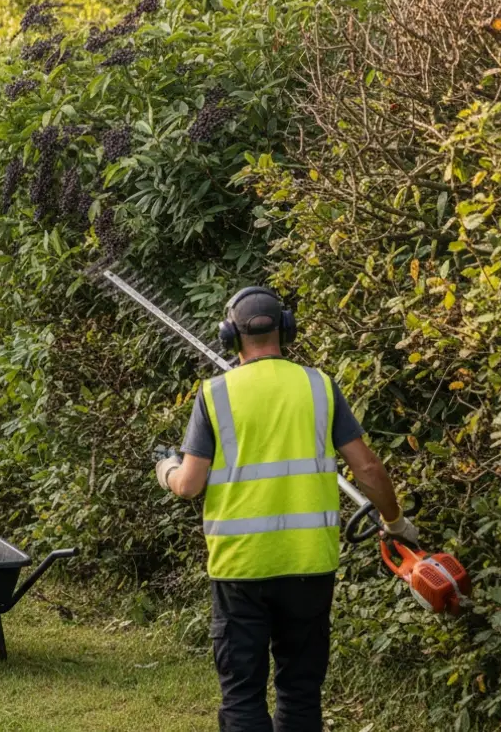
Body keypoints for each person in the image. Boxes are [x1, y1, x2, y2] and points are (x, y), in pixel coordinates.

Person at [153, 287, 417, 732]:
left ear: (229, 337)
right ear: (286, 330)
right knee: (299, 692)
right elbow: (368, 469)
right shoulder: (319, 387)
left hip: (241, 567)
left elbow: (189, 484)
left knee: (242, 696)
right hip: (308, 565)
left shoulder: (214, 395)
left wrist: (166, 467)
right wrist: (396, 522)